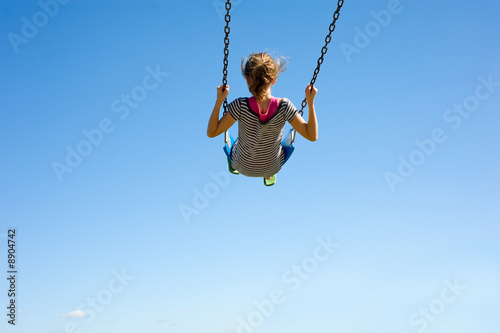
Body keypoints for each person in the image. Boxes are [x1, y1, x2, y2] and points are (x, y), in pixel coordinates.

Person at [207, 52, 318, 186]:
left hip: (242, 165)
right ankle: (269, 175)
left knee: (234, 142)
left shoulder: (240, 106)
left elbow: (212, 132)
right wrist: (310, 103)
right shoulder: (284, 106)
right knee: (282, 145)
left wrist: (219, 101)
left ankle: (234, 167)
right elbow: (312, 136)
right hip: (272, 166)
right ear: (274, 79)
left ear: (247, 79)